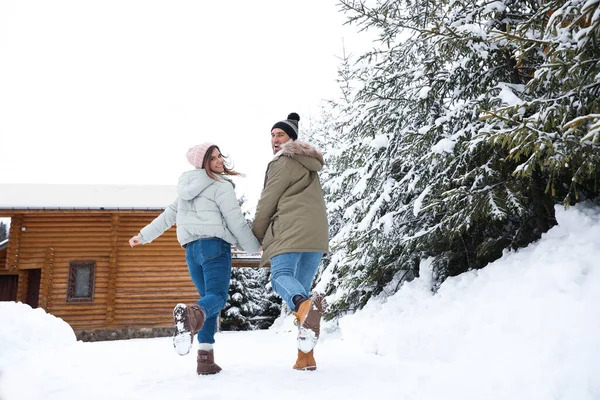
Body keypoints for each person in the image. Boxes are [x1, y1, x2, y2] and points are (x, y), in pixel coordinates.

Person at [129, 142, 260, 375]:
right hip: (214, 247)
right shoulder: (221, 185)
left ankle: (205, 359)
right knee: (215, 298)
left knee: (206, 302)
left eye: (220, 156)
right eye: (213, 158)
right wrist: (253, 246)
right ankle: (190, 316)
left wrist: (143, 236)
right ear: (203, 163)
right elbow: (235, 220)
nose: (219, 161)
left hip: (191, 251)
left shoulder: (185, 189)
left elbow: (167, 217)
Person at [252, 112, 329, 371]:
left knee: (281, 278)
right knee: (302, 301)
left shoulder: (282, 162)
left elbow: (267, 201)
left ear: (291, 139)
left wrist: (258, 234)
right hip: (315, 235)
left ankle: (306, 316)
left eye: (280, 134)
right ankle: (305, 357)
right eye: (272, 135)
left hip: (289, 230)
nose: (275, 139)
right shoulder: (309, 164)